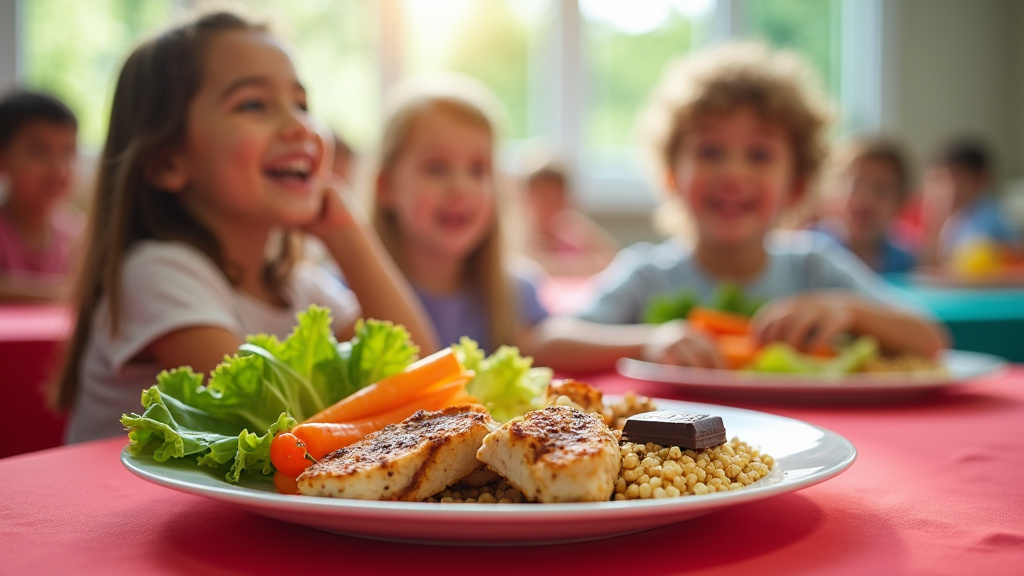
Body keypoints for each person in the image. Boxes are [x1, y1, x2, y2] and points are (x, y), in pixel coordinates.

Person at [55, 11, 437, 443]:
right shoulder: (157, 272)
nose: (300, 126)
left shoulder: (297, 283)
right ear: (167, 163)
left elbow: (422, 371)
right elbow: (267, 420)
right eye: (253, 104)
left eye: (301, 104)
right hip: (125, 509)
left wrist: (349, 236)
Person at [533, 43, 946, 371]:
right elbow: (546, 340)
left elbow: (930, 338)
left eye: (759, 155)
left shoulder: (813, 267)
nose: (732, 173)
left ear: (797, 184)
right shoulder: (649, 275)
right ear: (671, 176)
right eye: (710, 151)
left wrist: (850, 311)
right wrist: (649, 339)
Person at [367, 74, 550, 352]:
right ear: (386, 186)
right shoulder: (348, 294)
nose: (460, 188)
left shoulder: (514, 292)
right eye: (436, 167)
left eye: (478, 169)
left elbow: (549, 342)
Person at [0, 89, 83, 301]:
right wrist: (61, 293)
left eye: (67, 152)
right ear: (3, 160)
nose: (57, 168)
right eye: (39, 151)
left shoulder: (79, 236)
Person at [815, 136, 916, 274]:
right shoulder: (815, 250)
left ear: (900, 202)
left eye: (881, 189)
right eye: (856, 184)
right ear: (836, 189)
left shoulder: (904, 262)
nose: (866, 198)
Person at [517, 146, 619, 277]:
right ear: (526, 199)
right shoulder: (519, 235)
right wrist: (584, 266)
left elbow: (614, 259)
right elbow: (531, 268)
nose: (550, 207)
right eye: (543, 199)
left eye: (556, 199)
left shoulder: (572, 226)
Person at [920, 136, 1022, 267]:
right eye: (940, 179)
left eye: (955, 177)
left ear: (980, 179)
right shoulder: (954, 216)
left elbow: (960, 264)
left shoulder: (987, 217)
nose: (946, 188)